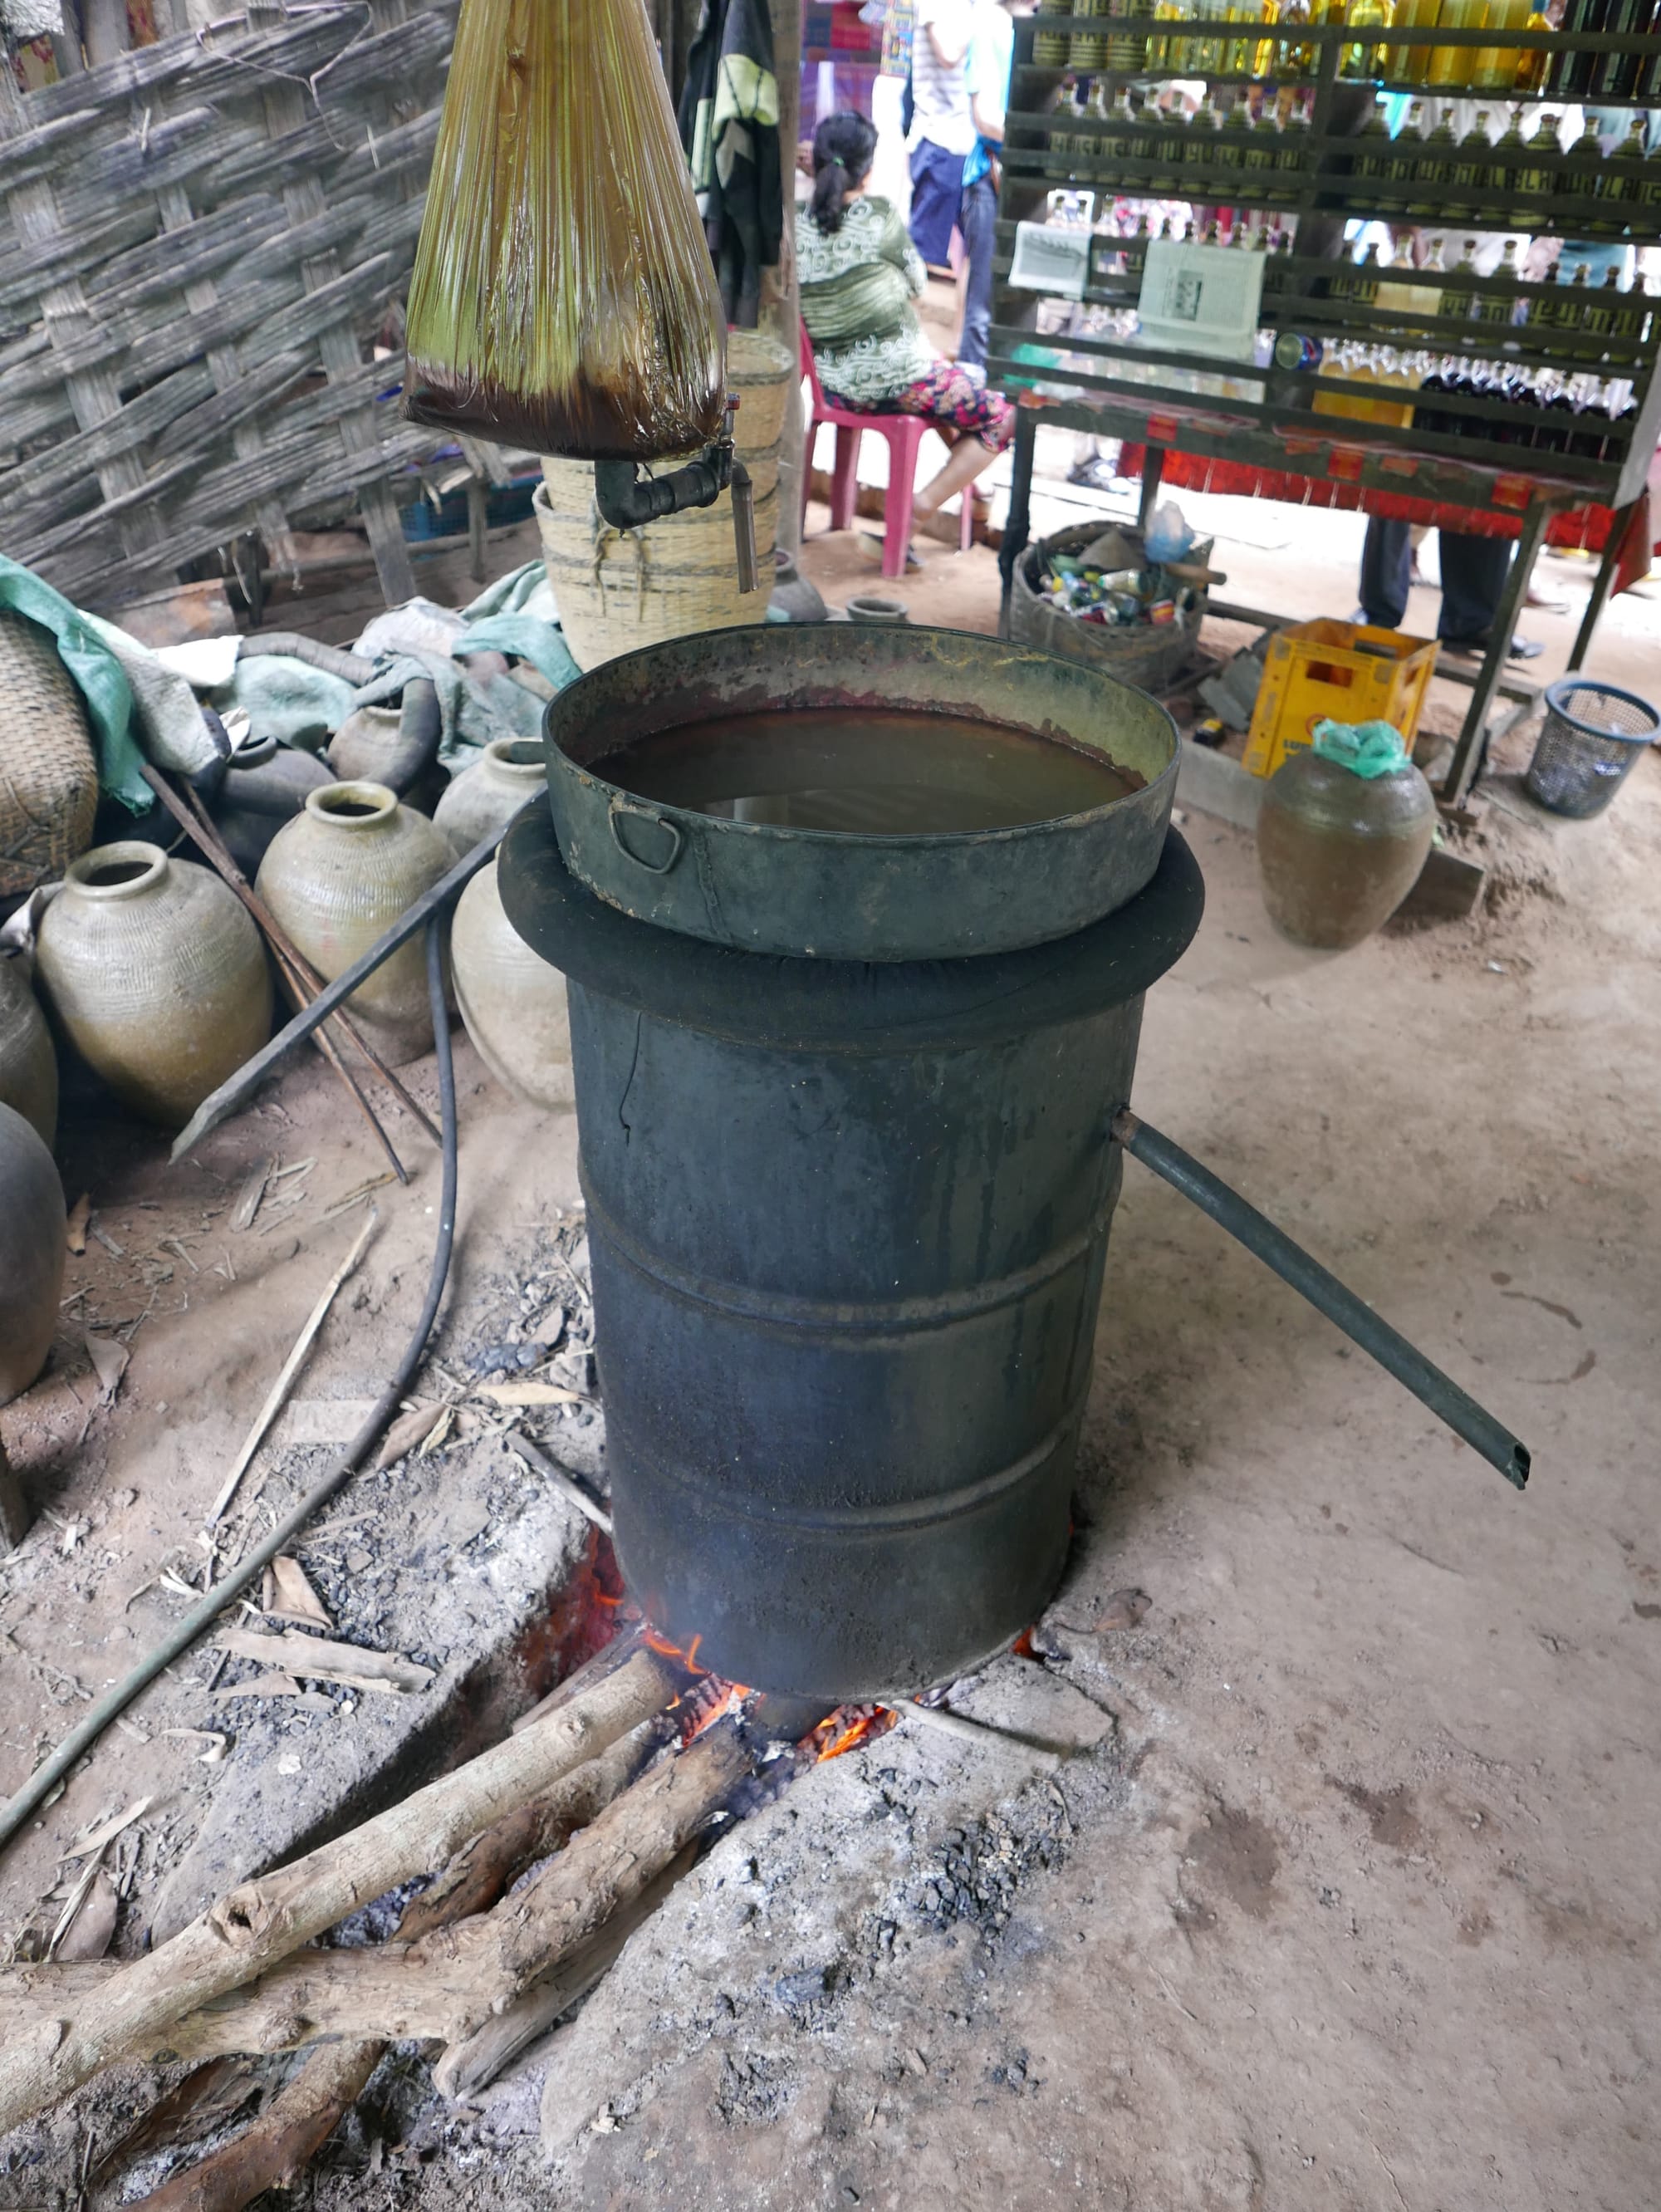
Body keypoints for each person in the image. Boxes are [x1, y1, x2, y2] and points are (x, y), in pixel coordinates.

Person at [798, 110, 1015, 562]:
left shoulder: (793, 223)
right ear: (869, 169)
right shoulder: (877, 214)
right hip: (898, 382)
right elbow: (917, 286)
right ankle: (917, 509)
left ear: (815, 162)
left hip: (833, 389)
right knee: (1001, 418)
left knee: (948, 391)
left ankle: (943, 509)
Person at [958, 0, 1019, 373]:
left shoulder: (1016, 27)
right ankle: (975, 412)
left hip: (1009, 180)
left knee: (997, 302)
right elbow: (984, 120)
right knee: (982, 303)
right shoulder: (987, 25)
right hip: (989, 178)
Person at [907, 0, 976, 273]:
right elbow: (947, 54)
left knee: (976, 255)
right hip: (941, 140)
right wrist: (984, 15)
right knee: (925, 261)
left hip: (964, 143)